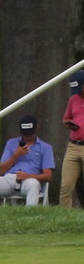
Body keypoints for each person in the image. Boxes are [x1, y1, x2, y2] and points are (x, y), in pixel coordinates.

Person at [0, 114, 54, 210]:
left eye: (30, 134)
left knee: (34, 184)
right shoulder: (11, 143)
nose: (27, 137)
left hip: (29, 180)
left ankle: (29, 217)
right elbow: (1, 170)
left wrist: (27, 176)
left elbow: (48, 176)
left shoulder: (45, 147)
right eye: (24, 134)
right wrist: (16, 155)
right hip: (10, 178)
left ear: (36, 128)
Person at [59, 70, 84, 208]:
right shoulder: (73, 99)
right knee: (66, 186)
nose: (78, 92)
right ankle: (64, 217)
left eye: (80, 88)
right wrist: (68, 123)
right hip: (73, 147)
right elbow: (66, 118)